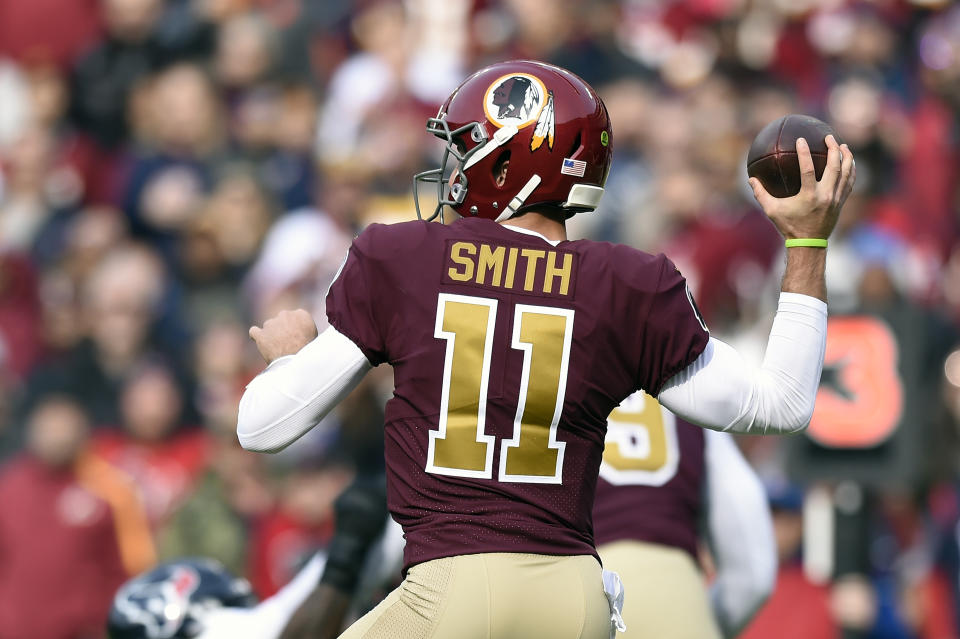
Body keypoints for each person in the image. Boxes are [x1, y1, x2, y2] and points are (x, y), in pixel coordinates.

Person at [237, 59, 855, 638]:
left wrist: (292, 360)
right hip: (582, 601)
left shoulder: (403, 259)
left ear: (507, 165)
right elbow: (783, 404)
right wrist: (807, 247)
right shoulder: (627, 285)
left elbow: (261, 427)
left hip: (454, 588)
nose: (451, 169)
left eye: (464, 149)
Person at [593, 390, 776, 639]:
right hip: (675, 595)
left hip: (574, 597)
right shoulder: (688, 388)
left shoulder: (535, 379)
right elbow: (754, 574)